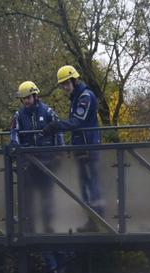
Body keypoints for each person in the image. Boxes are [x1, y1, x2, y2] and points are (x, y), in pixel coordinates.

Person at [44, 65, 104, 231]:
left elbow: (77, 122)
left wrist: (55, 126)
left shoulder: (85, 97)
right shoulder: (76, 98)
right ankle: (92, 221)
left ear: (74, 80)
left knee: (92, 185)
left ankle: (99, 220)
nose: (64, 87)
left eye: (66, 83)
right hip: (81, 147)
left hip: (89, 147)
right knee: (84, 185)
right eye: (62, 85)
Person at [10, 80, 64, 233]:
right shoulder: (18, 115)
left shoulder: (47, 111)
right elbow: (14, 134)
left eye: (28, 97)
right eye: (24, 98)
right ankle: (29, 227)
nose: (26, 101)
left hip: (47, 161)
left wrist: (59, 151)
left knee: (47, 196)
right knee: (27, 198)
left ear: (35, 96)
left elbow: (58, 130)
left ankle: (48, 226)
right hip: (28, 162)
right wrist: (15, 148)